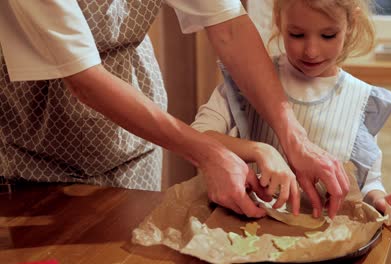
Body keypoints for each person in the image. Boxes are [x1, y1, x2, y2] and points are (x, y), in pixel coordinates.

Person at [0, 0, 348, 218]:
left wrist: (295, 139)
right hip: (33, 139)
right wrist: (208, 153)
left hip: (133, 137)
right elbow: (84, 79)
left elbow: (228, 26)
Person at [192, 0, 391, 230]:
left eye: (328, 36)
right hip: (247, 233)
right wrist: (257, 151)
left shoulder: (361, 101)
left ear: (350, 24)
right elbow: (198, 136)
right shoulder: (248, 79)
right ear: (279, 20)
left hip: (323, 243)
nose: (311, 51)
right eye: (297, 34)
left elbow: (368, 183)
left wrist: (380, 200)